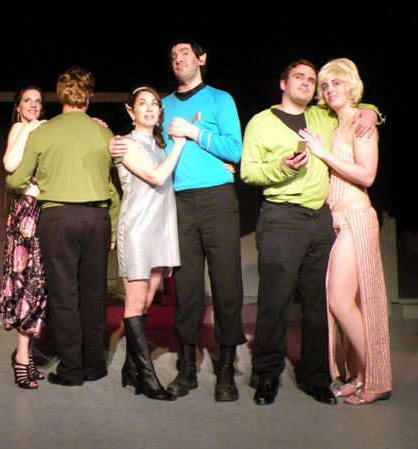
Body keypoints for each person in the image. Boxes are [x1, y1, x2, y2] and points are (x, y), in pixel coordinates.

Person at [110, 39, 246, 402]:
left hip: (217, 198)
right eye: (173, 56)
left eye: (185, 53)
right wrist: (108, 139)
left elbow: (235, 150)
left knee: (226, 285)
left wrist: (194, 132)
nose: (178, 59)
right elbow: (144, 143)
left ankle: (226, 371)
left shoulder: (221, 99)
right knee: (186, 288)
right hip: (178, 202)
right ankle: (187, 368)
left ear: (201, 59)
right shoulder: (163, 105)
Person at [241, 59, 381, 405]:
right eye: (298, 77)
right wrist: (281, 168)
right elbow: (248, 172)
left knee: (318, 305)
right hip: (281, 218)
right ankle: (267, 376)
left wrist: (372, 111)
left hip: (320, 220)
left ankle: (316, 377)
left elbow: (352, 109)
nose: (306, 83)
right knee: (275, 302)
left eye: (311, 79)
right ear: (283, 83)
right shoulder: (261, 122)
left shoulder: (322, 116)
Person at [7, 66, 120, 387]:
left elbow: (15, 180)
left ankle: (71, 370)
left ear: (59, 96)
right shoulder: (103, 133)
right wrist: (113, 227)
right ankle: (94, 365)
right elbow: (113, 187)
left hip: (58, 219)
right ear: (89, 97)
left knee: (64, 296)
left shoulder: (43, 133)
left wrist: (39, 184)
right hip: (96, 219)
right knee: (93, 294)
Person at [298, 58, 391, 405]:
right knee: (343, 302)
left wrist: (323, 153)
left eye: (336, 83)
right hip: (337, 221)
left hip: (356, 218)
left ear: (351, 85)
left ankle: (377, 379)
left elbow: (367, 175)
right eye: (325, 85)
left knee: (340, 300)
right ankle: (361, 375)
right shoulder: (336, 125)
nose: (329, 89)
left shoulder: (361, 123)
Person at [115, 86, 186, 401]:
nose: (149, 108)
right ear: (131, 111)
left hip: (161, 230)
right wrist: (180, 143)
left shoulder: (161, 146)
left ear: (160, 112)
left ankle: (130, 369)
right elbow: (157, 177)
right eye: (142, 103)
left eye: (154, 104)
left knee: (146, 303)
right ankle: (147, 378)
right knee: (134, 304)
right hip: (137, 230)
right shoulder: (125, 144)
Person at [0, 85, 48, 389]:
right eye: (27, 100)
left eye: (38, 101)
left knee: (38, 283)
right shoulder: (20, 128)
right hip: (26, 211)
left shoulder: (45, 130)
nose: (33, 105)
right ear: (18, 106)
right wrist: (29, 128)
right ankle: (21, 357)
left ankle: (26, 355)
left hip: (43, 209)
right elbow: (9, 164)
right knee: (27, 281)